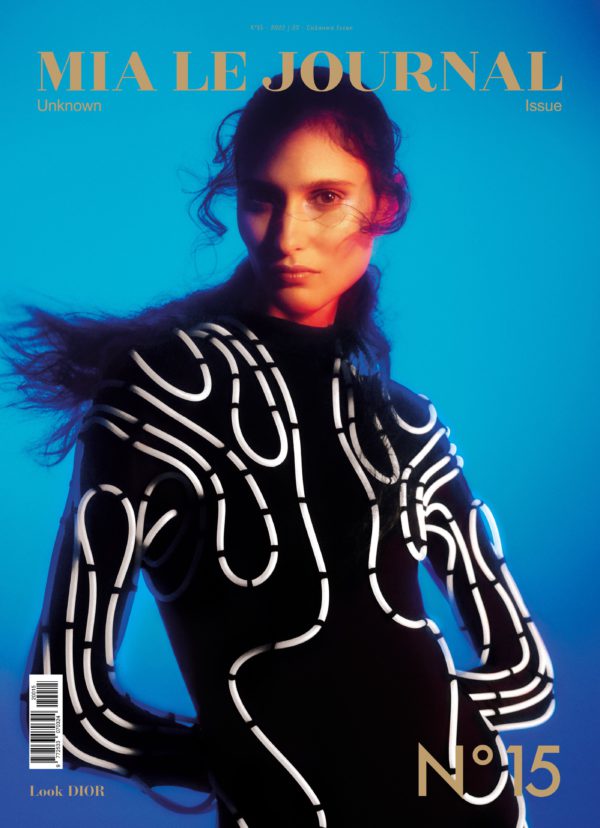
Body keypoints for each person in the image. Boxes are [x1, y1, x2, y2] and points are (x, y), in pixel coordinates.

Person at [10, 68, 555, 827]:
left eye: (325, 196)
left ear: (386, 203)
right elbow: (57, 713)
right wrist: (234, 759)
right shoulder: (155, 405)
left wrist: (426, 729)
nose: (289, 236)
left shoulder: (406, 425)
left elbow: (527, 677)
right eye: (263, 198)